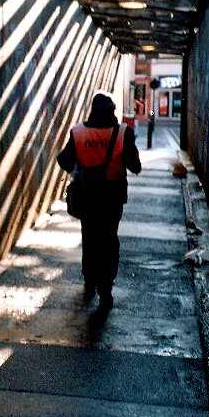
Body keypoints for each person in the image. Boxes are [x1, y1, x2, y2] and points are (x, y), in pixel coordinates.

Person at [56, 92, 142, 309]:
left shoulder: (78, 132)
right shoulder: (123, 133)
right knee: (109, 239)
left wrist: (82, 169)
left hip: (87, 194)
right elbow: (135, 167)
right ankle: (106, 288)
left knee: (90, 237)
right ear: (112, 110)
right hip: (113, 196)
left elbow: (64, 160)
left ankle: (89, 278)